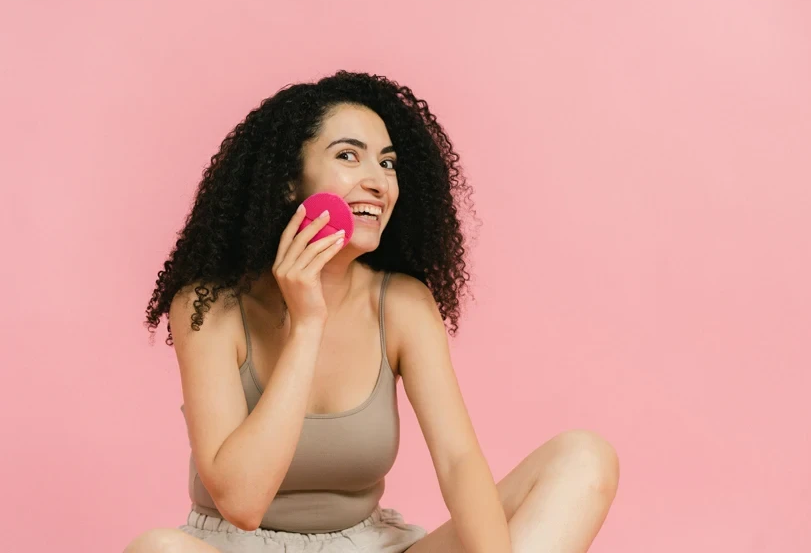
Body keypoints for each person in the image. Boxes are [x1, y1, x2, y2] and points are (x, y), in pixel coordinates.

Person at [124, 71, 619, 553]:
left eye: (387, 164)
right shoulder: (209, 306)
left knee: (583, 459)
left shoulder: (402, 304)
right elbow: (243, 502)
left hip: (371, 544)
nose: (378, 182)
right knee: (156, 550)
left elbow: (458, 462)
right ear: (287, 184)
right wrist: (307, 323)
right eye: (348, 157)